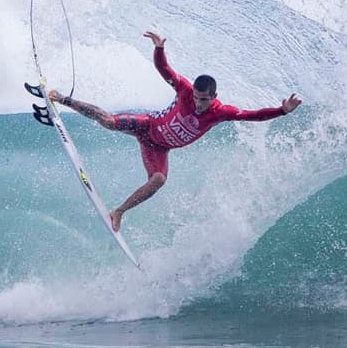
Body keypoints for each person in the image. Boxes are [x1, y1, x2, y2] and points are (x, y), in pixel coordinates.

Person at [49, 31, 302, 232]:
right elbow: (165, 71)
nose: (198, 102)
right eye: (196, 97)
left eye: (204, 99)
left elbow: (252, 115)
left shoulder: (222, 111)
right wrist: (159, 49)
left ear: (214, 96)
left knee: (159, 180)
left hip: (158, 147)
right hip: (148, 126)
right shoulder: (184, 90)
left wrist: (282, 111)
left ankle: (119, 212)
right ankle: (62, 99)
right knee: (108, 121)